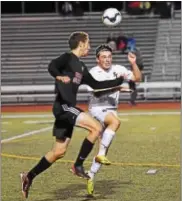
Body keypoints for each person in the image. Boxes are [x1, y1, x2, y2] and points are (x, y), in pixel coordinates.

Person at [20, 32, 126, 199]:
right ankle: (78, 165)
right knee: (97, 128)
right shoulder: (67, 58)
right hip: (63, 106)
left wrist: (117, 82)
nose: (89, 47)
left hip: (66, 109)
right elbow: (52, 66)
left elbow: (96, 85)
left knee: (58, 151)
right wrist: (59, 75)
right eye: (88, 44)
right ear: (81, 44)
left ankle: (29, 176)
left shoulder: (82, 67)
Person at [86, 44, 142, 196]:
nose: (107, 59)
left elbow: (137, 78)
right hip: (97, 107)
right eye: (104, 57)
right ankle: (101, 155)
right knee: (116, 123)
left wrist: (133, 63)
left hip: (111, 109)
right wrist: (117, 87)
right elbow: (96, 93)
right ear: (97, 59)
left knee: (103, 147)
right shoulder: (93, 73)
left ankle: (90, 175)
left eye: (109, 57)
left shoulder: (118, 68)